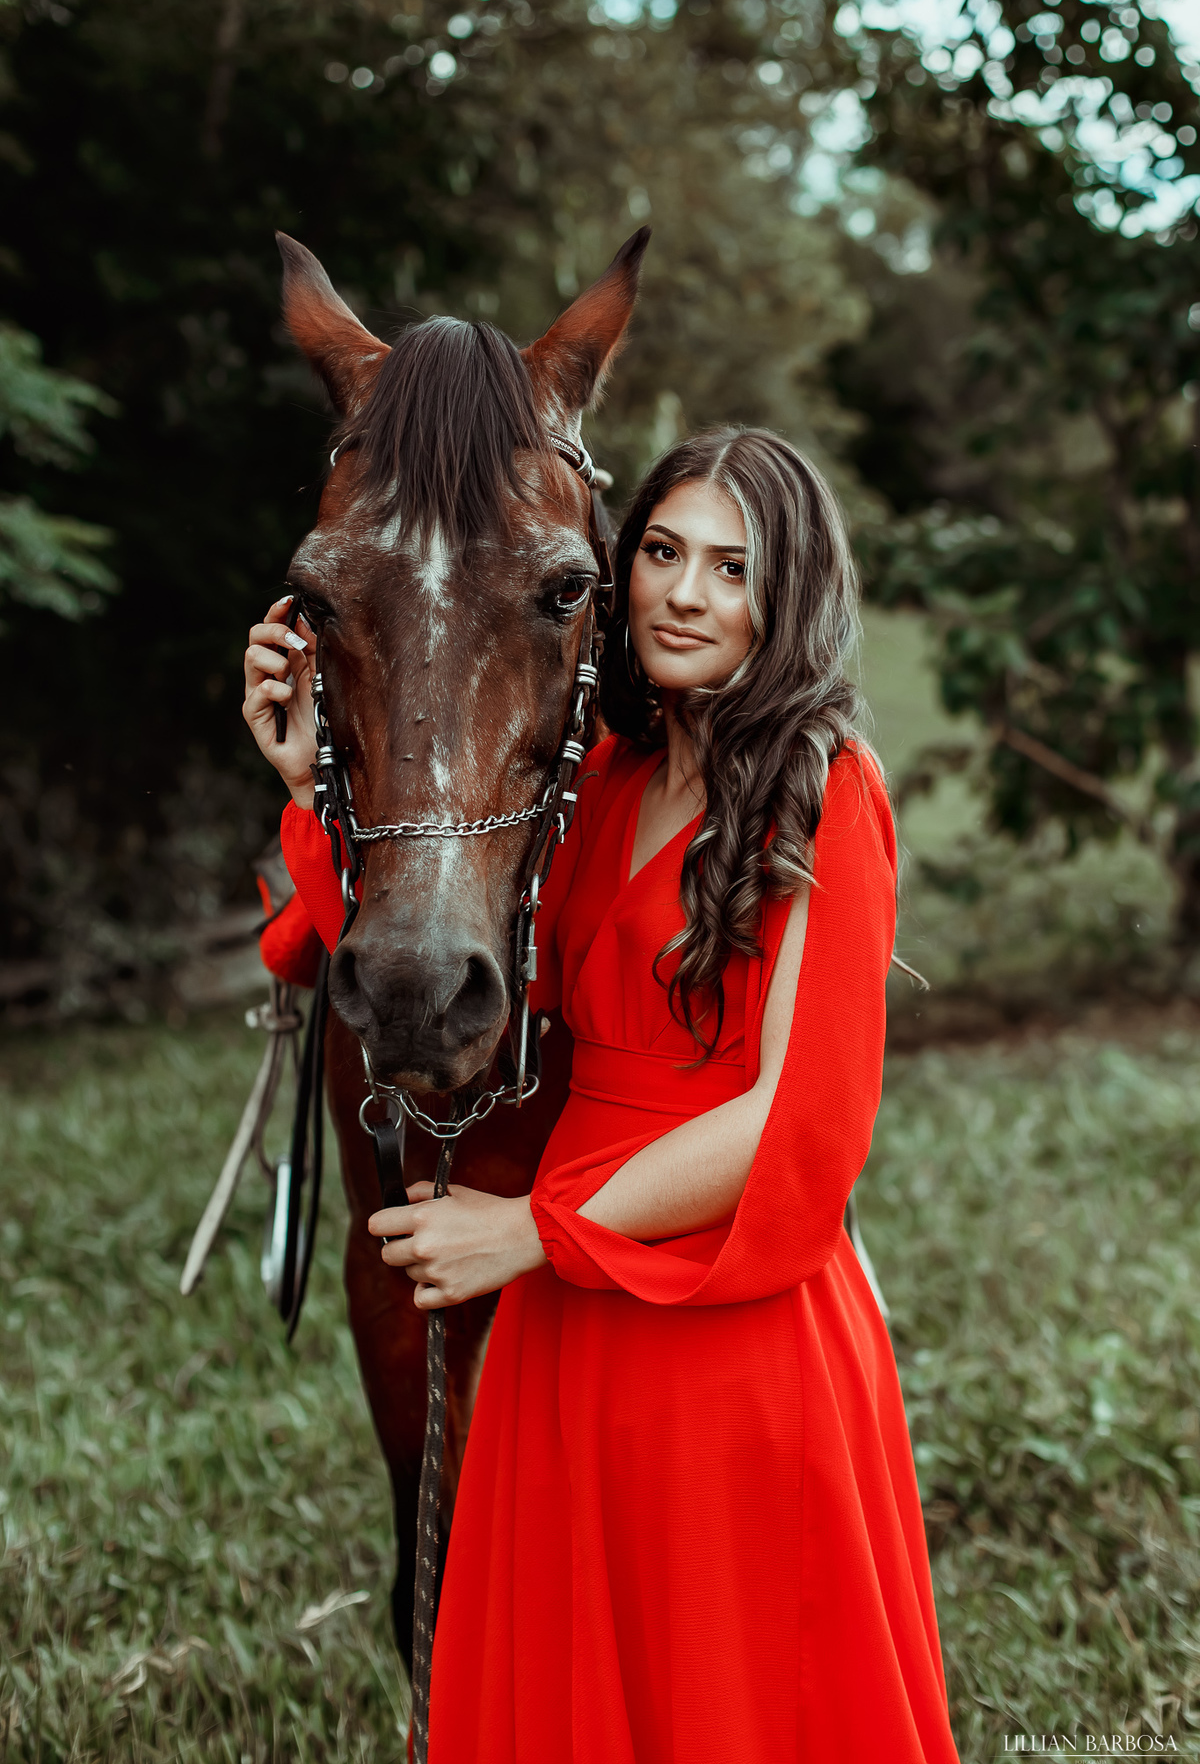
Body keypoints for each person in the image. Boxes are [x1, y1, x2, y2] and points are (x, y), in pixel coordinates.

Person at [243, 426, 961, 1763]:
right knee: (578, 1690)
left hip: (720, 1308)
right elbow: (454, 953)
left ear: (787, 594)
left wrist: (532, 1236)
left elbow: (796, 1116)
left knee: (732, 1687)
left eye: (732, 568)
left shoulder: (825, 790)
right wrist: (307, 781)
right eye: (665, 553)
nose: (685, 593)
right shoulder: (608, 779)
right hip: (570, 1333)